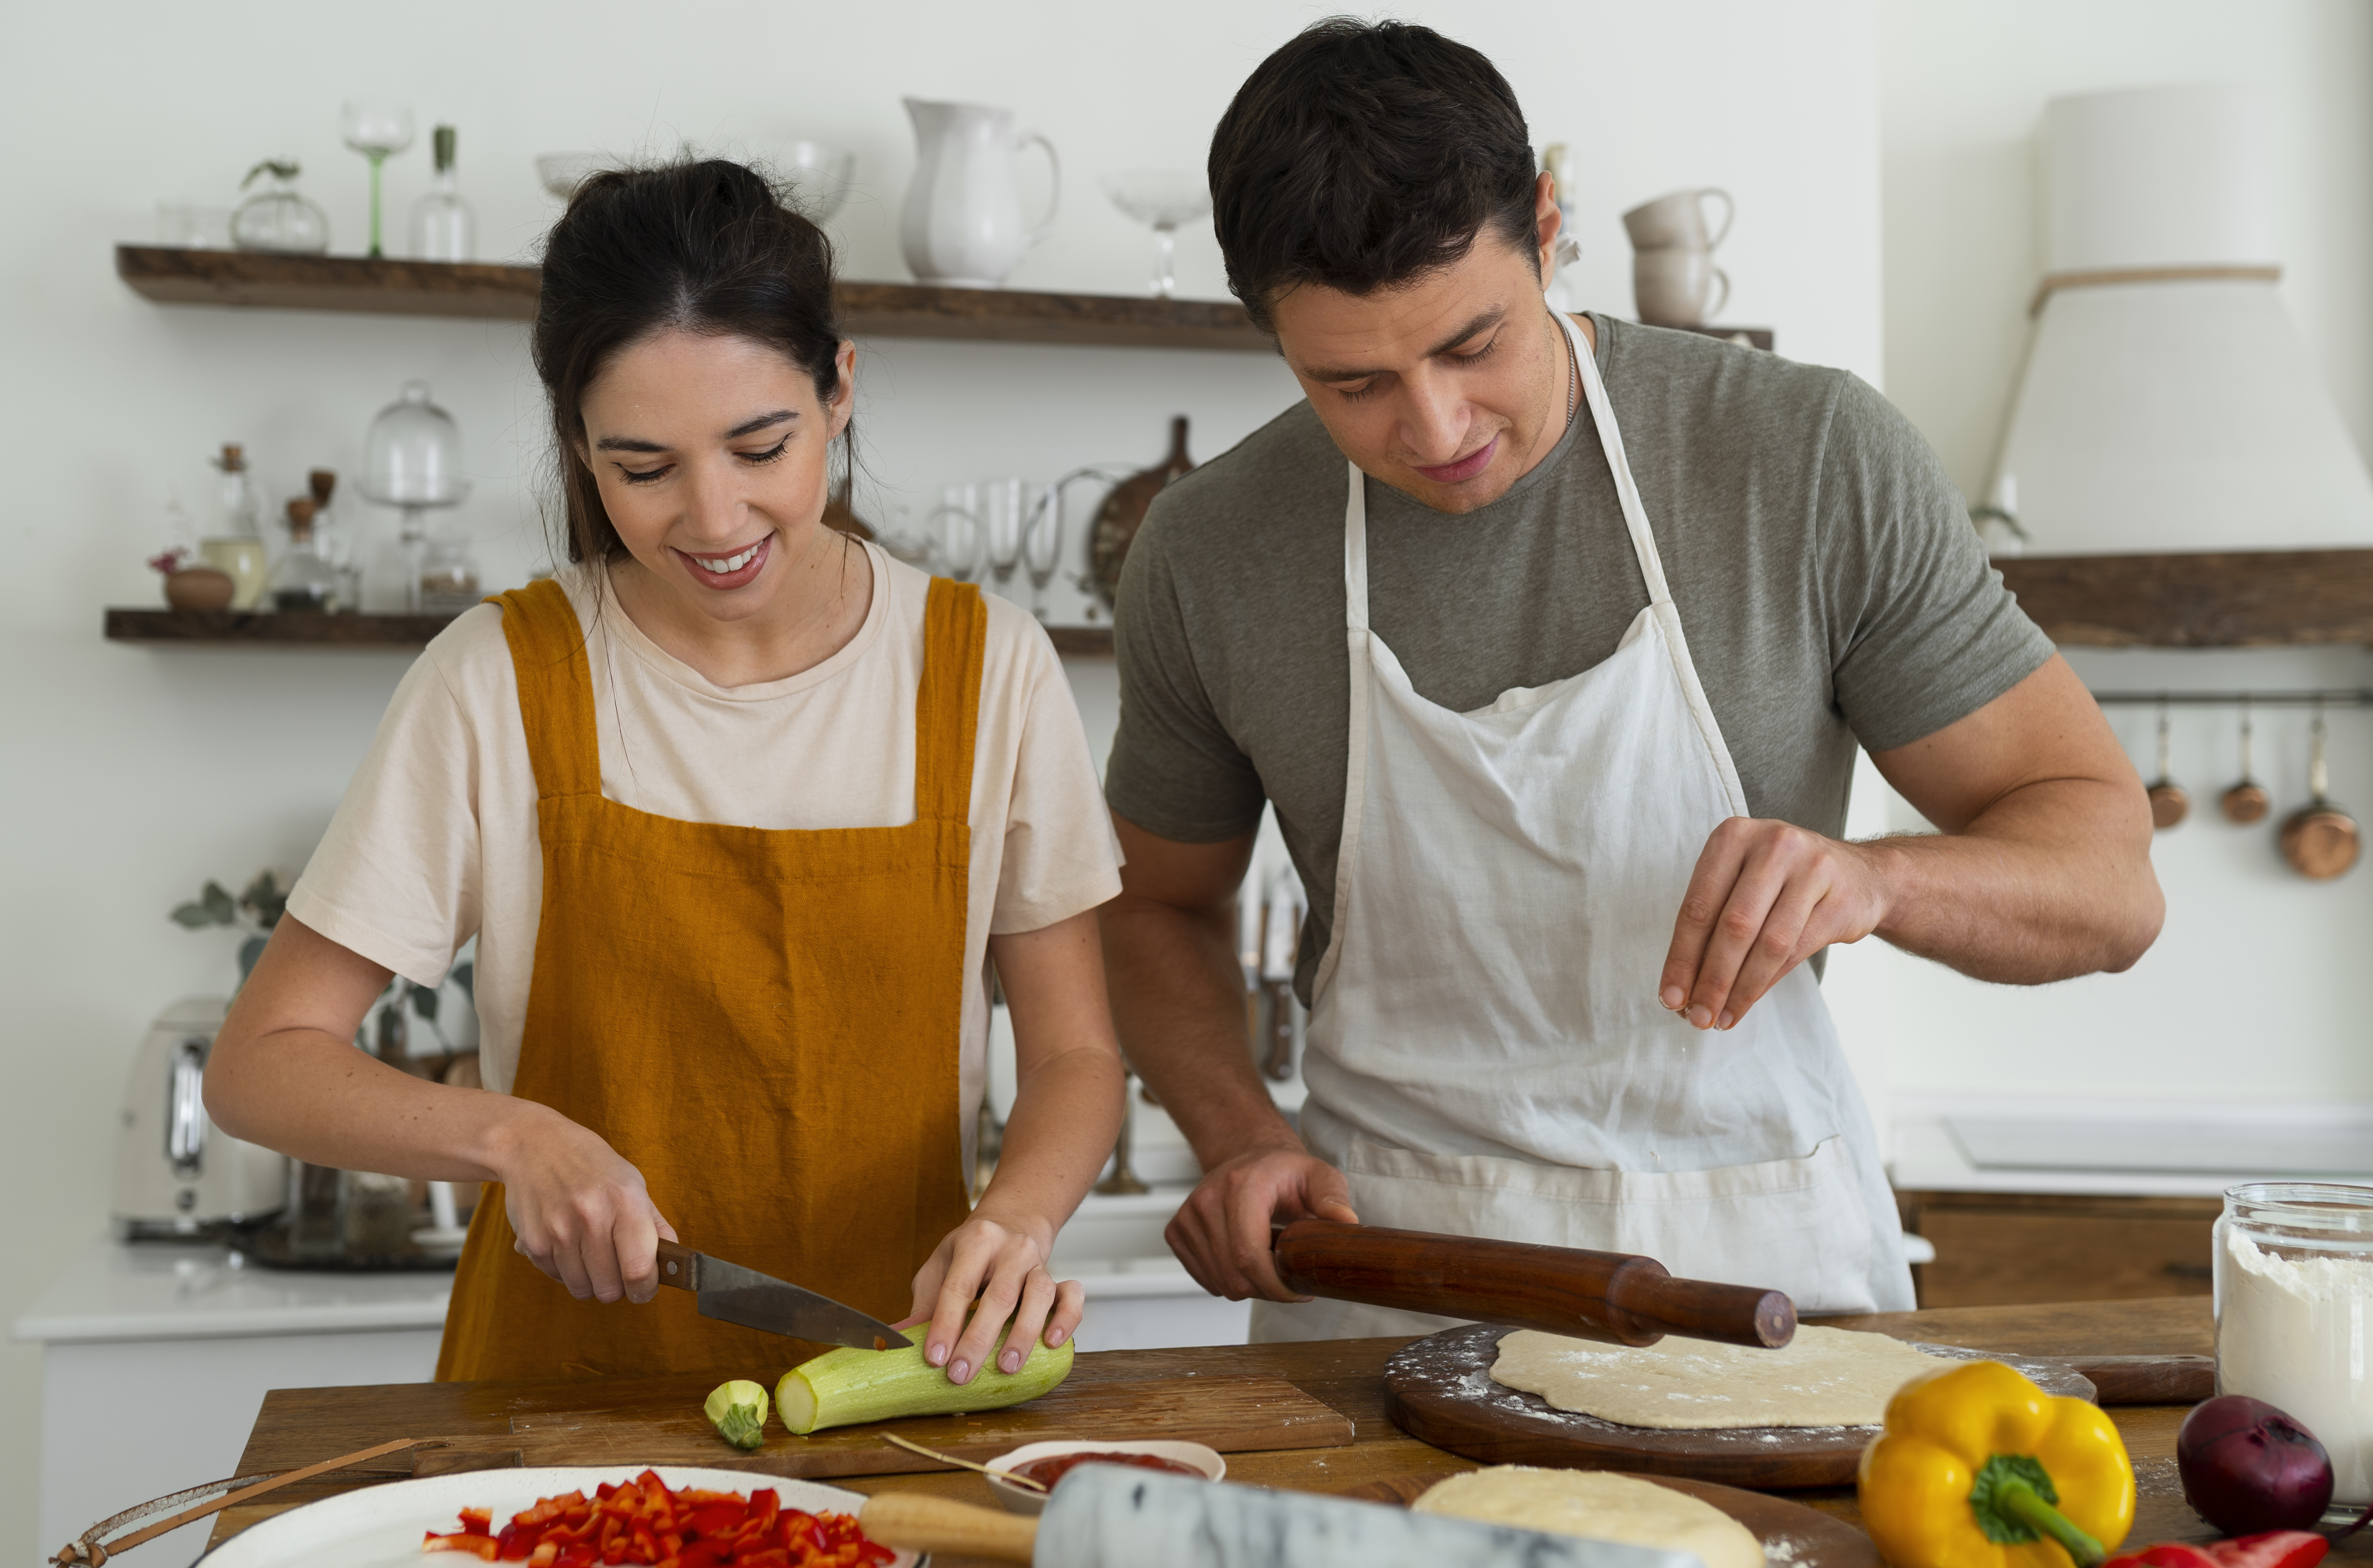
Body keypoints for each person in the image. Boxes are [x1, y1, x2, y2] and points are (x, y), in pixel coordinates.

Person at [1100, 21, 2163, 1338]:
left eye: (1474, 344)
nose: (1434, 429)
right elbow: (1151, 913)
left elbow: (2109, 882)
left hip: (1758, 1277)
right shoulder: (1209, 550)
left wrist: (1877, 880)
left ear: (1548, 225)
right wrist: (1236, 1134)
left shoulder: (1803, 458)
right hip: (1382, 1281)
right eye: (1352, 382)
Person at [208, 159, 1126, 1384]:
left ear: (839, 388)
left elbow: (1075, 1058)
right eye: (644, 469)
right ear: (579, 449)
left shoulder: (984, 669)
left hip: (892, 1379)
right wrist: (509, 1135)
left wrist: (1016, 1220)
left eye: (760, 447)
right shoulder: (502, 677)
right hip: (555, 1406)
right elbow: (260, 1060)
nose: (713, 517)